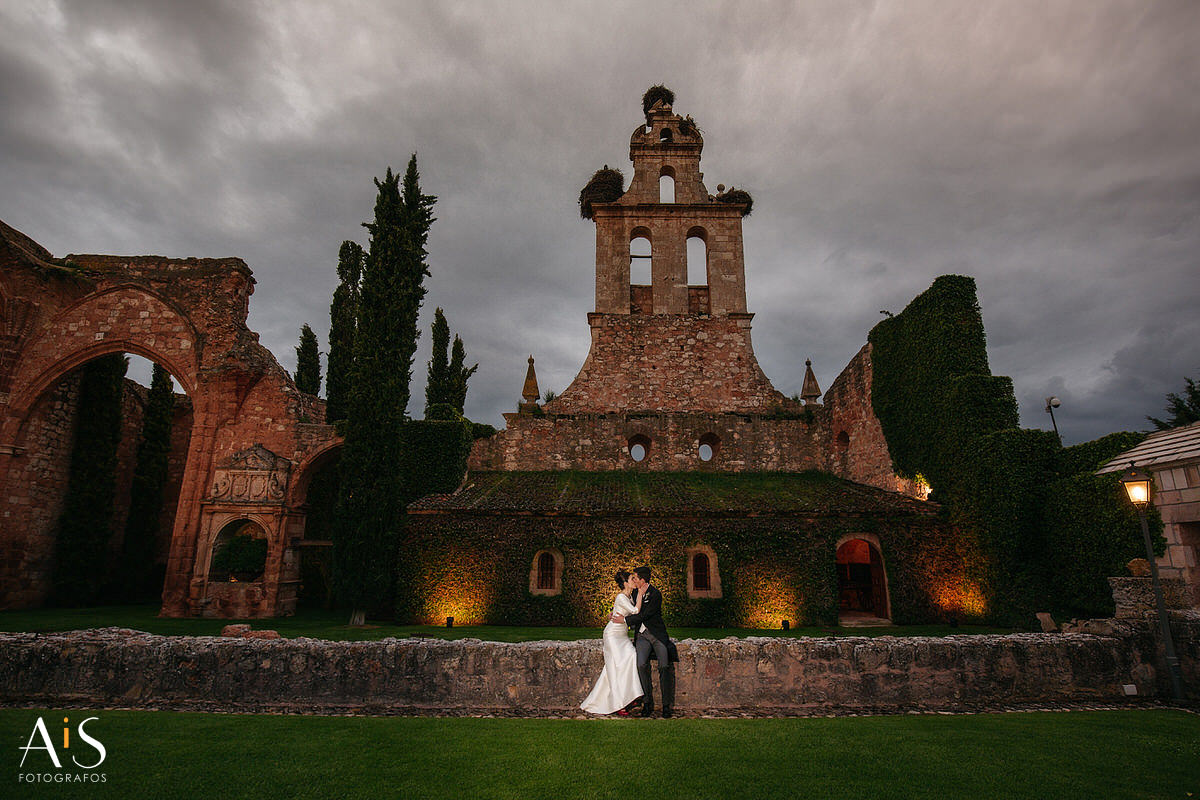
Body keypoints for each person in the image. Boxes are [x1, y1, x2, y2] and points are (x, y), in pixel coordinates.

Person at [611, 566, 677, 718]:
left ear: (642, 580)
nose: (633, 580)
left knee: (664, 666)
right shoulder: (634, 592)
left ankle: (666, 705)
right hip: (642, 636)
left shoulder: (656, 594)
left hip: (657, 635)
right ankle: (647, 703)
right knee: (640, 665)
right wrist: (614, 613)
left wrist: (626, 620)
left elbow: (645, 615)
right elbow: (626, 606)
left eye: (635, 578)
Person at [580, 570, 645, 715]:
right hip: (612, 636)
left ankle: (631, 694)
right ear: (625, 583)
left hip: (623, 636)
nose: (635, 581)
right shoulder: (622, 597)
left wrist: (612, 613)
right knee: (615, 668)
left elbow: (620, 611)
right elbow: (635, 611)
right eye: (632, 579)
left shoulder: (629, 596)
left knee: (631, 656)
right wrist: (641, 594)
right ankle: (618, 704)